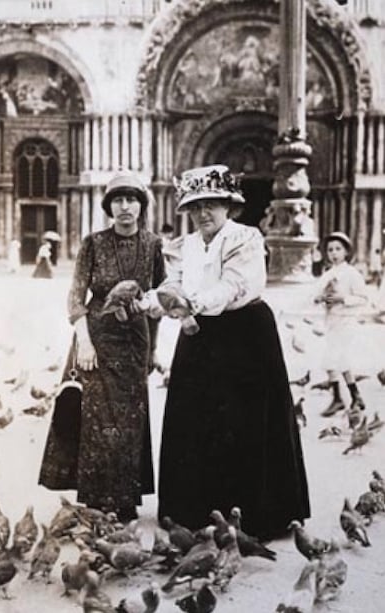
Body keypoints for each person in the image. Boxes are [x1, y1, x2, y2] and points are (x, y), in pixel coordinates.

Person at [144, 164, 310, 540]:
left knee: (243, 419)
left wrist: (191, 302)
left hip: (245, 335)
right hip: (200, 336)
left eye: (213, 204)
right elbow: (173, 282)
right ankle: (196, 507)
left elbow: (234, 286)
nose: (204, 213)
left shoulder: (245, 238)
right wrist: (158, 301)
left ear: (229, 206)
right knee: (196, 415)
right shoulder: (185, 244)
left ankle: (253, 513)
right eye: (197, 205)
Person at [38, 171, 165, 521]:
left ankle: (125, 499)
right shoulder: (93, 243)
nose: (125, 207)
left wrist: (153, 349)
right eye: (118, 201)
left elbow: (161, 297)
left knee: (130, 420)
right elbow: (76, 296)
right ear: (109, 207)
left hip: (135, 341)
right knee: (95, 418)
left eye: (132, 200)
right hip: (95, 338)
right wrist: (85, 343)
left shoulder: (154, 245)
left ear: (142, 205)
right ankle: (95, 498)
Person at [313, 232, 368, 417]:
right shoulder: (327, 274)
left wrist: (343, 298)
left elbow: (363, 298)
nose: (333, 253)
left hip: (346, 321)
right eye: (330, 250)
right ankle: (355, 396)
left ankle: (339, 398)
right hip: (332, 321)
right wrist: (320, 298)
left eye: (338, 249)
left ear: (346, 252)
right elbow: (316, 295)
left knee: (332, 359)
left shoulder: (352, 274)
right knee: (339, 360)